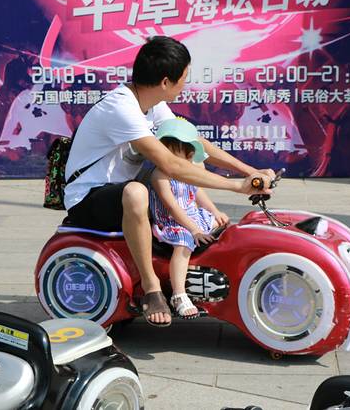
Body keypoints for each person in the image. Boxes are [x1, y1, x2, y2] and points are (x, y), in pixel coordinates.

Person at [64, 35, 274, 327]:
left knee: (188, 157)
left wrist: (250, 171)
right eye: (184, 79)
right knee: (138, 191)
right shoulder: (122, 108)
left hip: (123, 190)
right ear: (165, 81)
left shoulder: (153, 105)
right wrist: (236, 186)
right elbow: (170, 165)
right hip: (89, 198)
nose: (185, 85)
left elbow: (193, 142)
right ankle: (152, 289)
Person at [149, 118, 230, 319]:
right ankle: (179, 294)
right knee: (184, 242)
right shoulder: (160, 176)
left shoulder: (187, 170)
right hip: (171, 221)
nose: (173, 162)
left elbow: (198, 192)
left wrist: (215, 211)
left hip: (191, 215)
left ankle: (202, 271)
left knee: (221, 224)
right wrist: (194, 230)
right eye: (166, 153)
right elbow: (172, 207)